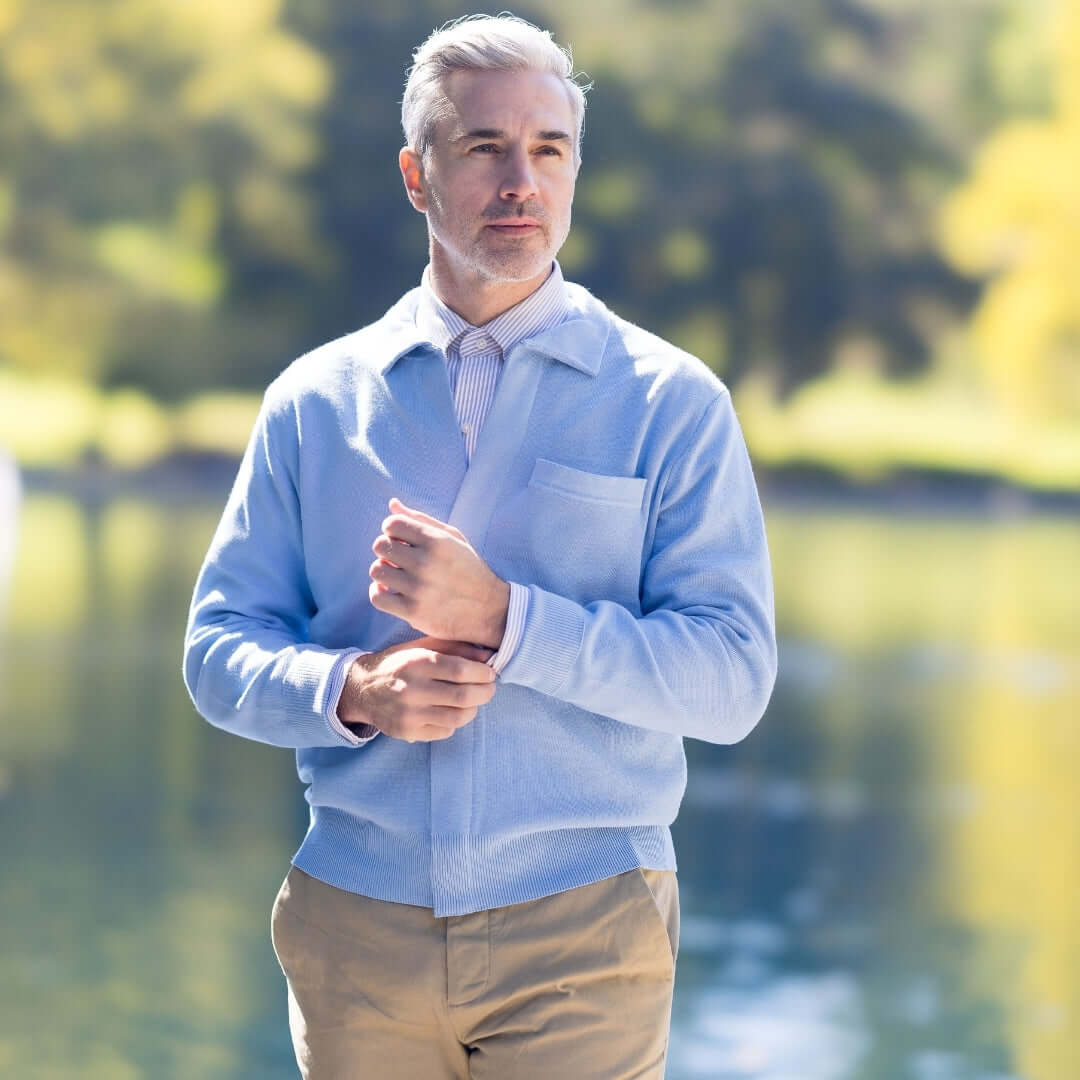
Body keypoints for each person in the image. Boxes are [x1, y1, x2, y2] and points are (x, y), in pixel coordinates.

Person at [182, 12, 777, 1079]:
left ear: (577, 170)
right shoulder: (315, 403)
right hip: (354, 930)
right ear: (417, 175)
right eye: (484, 147)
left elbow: (731, 681)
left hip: (587, 929)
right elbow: (217, 651)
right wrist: (354, 690)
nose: (521, 182)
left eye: (549, 149)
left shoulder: (672, 403)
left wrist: (506, 619)